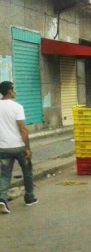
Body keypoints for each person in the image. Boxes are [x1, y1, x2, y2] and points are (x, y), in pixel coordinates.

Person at [0, 81, 38, 214]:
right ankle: (29, 197)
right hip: (19, 146)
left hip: (3, 148)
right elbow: (23, 129)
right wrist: (28, 148)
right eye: (14, 89)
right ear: (10, 91)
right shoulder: (17, 107)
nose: (15, 92)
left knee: (4, 174)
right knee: (27, 171)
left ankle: (2, 199)